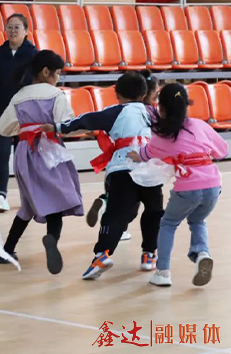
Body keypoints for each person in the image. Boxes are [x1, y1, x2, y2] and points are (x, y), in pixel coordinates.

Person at [41, 71, 164, 280]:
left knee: (115, 215)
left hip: (122, 170)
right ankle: (149, 255)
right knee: (154, 212)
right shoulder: (154, 114)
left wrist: (57, 127)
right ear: (144, 94)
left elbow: (85, 120)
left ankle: (102, 256)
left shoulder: (115, 111)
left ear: (118, 94)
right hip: (151, 169)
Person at [128, 83, 228, 287]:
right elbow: (223, 151)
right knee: (198, 220)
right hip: (213, 184)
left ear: (161, 109)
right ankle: (202, 253)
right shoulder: (199, 125)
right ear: (186, 106)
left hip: (188, 187)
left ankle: (163, 272)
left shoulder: (162, 135)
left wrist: (135, 155)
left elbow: (146, 154)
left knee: (168, 223)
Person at [0, 50, 83, 274]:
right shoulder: (56, 95)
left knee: (27, 203)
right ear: (46, 72)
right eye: (57, 73)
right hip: (49, 152)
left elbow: (3, 128)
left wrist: (25, 128)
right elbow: (66, 124)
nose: (58, 78)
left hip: (24, 152)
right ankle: (51, 238)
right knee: (57, 201)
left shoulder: (19, 96)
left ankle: (7, 249)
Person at [86, 70, 160, 242]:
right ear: (147, 94)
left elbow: (100, 126)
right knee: (131, 207)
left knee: (115, 200)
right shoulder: (151, 114)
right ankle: (122, 232)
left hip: (115, 164)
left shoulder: (121, 111)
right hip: (139, 166)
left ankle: (103, 203)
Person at [0, 13, 38, 212]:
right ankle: (0, 195)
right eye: (9, 27)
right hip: (2, 113)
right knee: (1, 154)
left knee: (25, 157)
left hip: (27, 115)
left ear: (26, 31)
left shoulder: (34, 56)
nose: (12, 31)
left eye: (16, 27)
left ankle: (29, 197)